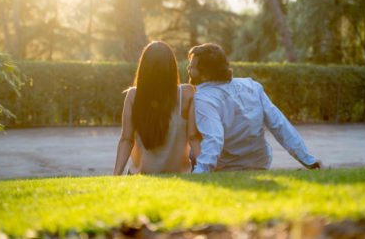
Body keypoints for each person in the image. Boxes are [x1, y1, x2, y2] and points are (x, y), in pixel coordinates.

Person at [187, 43, 321, 173]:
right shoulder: (252, 86)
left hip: (227, 167)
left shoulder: (204, 98)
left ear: (205, 74)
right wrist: (308, 160)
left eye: (192, 67)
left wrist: (201, 172)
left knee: (192, 151)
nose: (188, 69)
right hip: (260, 163)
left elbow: (214, 138)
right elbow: (279, 124)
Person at [113, 41, 200, 175]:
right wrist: (208, 170)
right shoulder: (187, 93)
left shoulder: (133, 95)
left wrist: (116, 175)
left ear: (143, 68)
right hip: (180, 176)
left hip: (139, 176)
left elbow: (126, 140)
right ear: (171, 67)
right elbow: (193, 137)